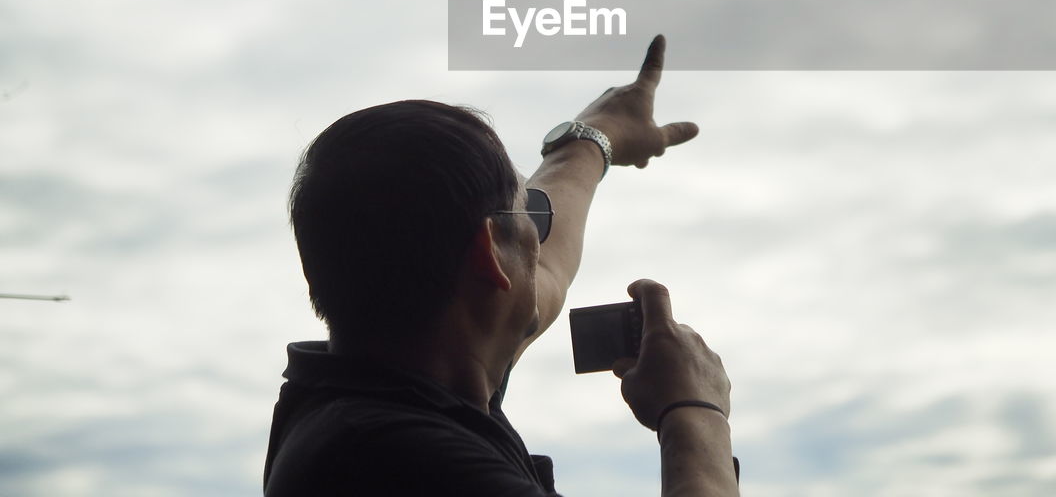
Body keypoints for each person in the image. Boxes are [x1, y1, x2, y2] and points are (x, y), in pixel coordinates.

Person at [263, 35, 739, 496]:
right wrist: (696, 412)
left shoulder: (394, 381)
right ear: (490, 255)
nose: (541, 235)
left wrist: (596, 137)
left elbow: (543, 269)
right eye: (528, 212)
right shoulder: (413, 462)